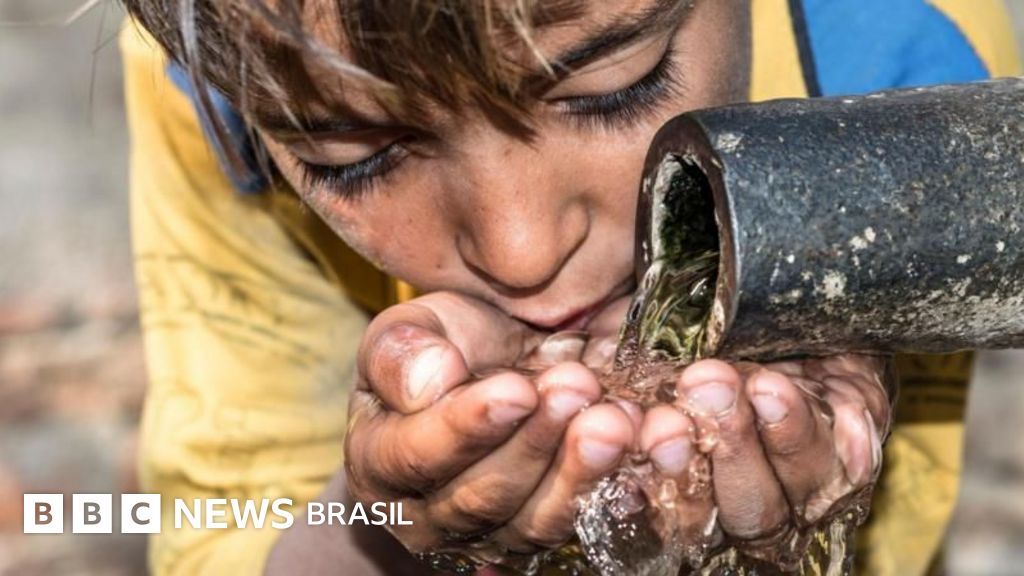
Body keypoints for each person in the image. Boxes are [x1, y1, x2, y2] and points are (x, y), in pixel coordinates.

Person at [117, 0, 1020, 574]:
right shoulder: (234, 60)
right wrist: (381, 519)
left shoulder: (911, 74)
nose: (521, 253)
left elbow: (888, 543)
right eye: (357, 157)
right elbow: (221, 530)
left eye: (609, 88)